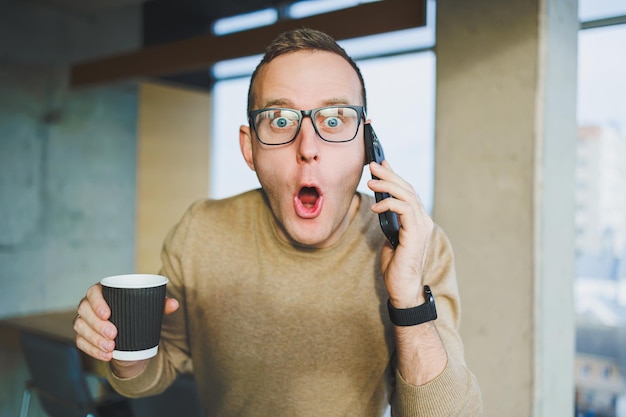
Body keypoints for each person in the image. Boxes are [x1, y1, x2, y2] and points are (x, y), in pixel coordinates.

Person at [74, 28, 482, 416]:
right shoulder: (200, 231)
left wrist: (408, 300)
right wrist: (120, 347)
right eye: (281, 120)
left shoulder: (416, 245)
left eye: (335, 119)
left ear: (366, 146)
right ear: (249, 148)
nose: (308, 148)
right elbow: (154, 372)